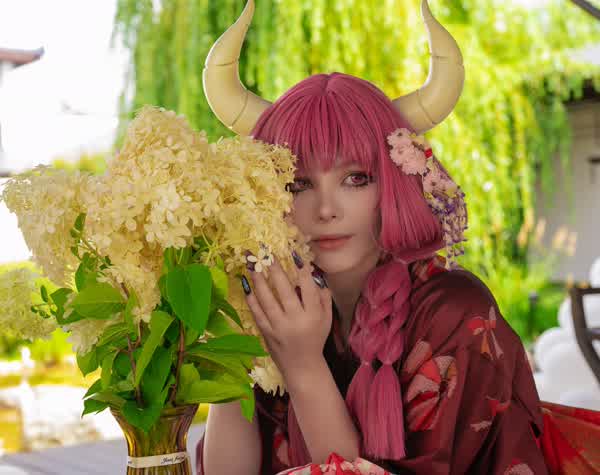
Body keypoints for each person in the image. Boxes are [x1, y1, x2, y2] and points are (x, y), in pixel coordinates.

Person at [197, 1, 600, 474]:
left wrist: (303, 366)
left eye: (356, 179)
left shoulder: (455, 313)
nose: (326, 209)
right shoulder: (275, 298)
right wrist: (235, 345)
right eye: (298, 184)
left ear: (392, 183)